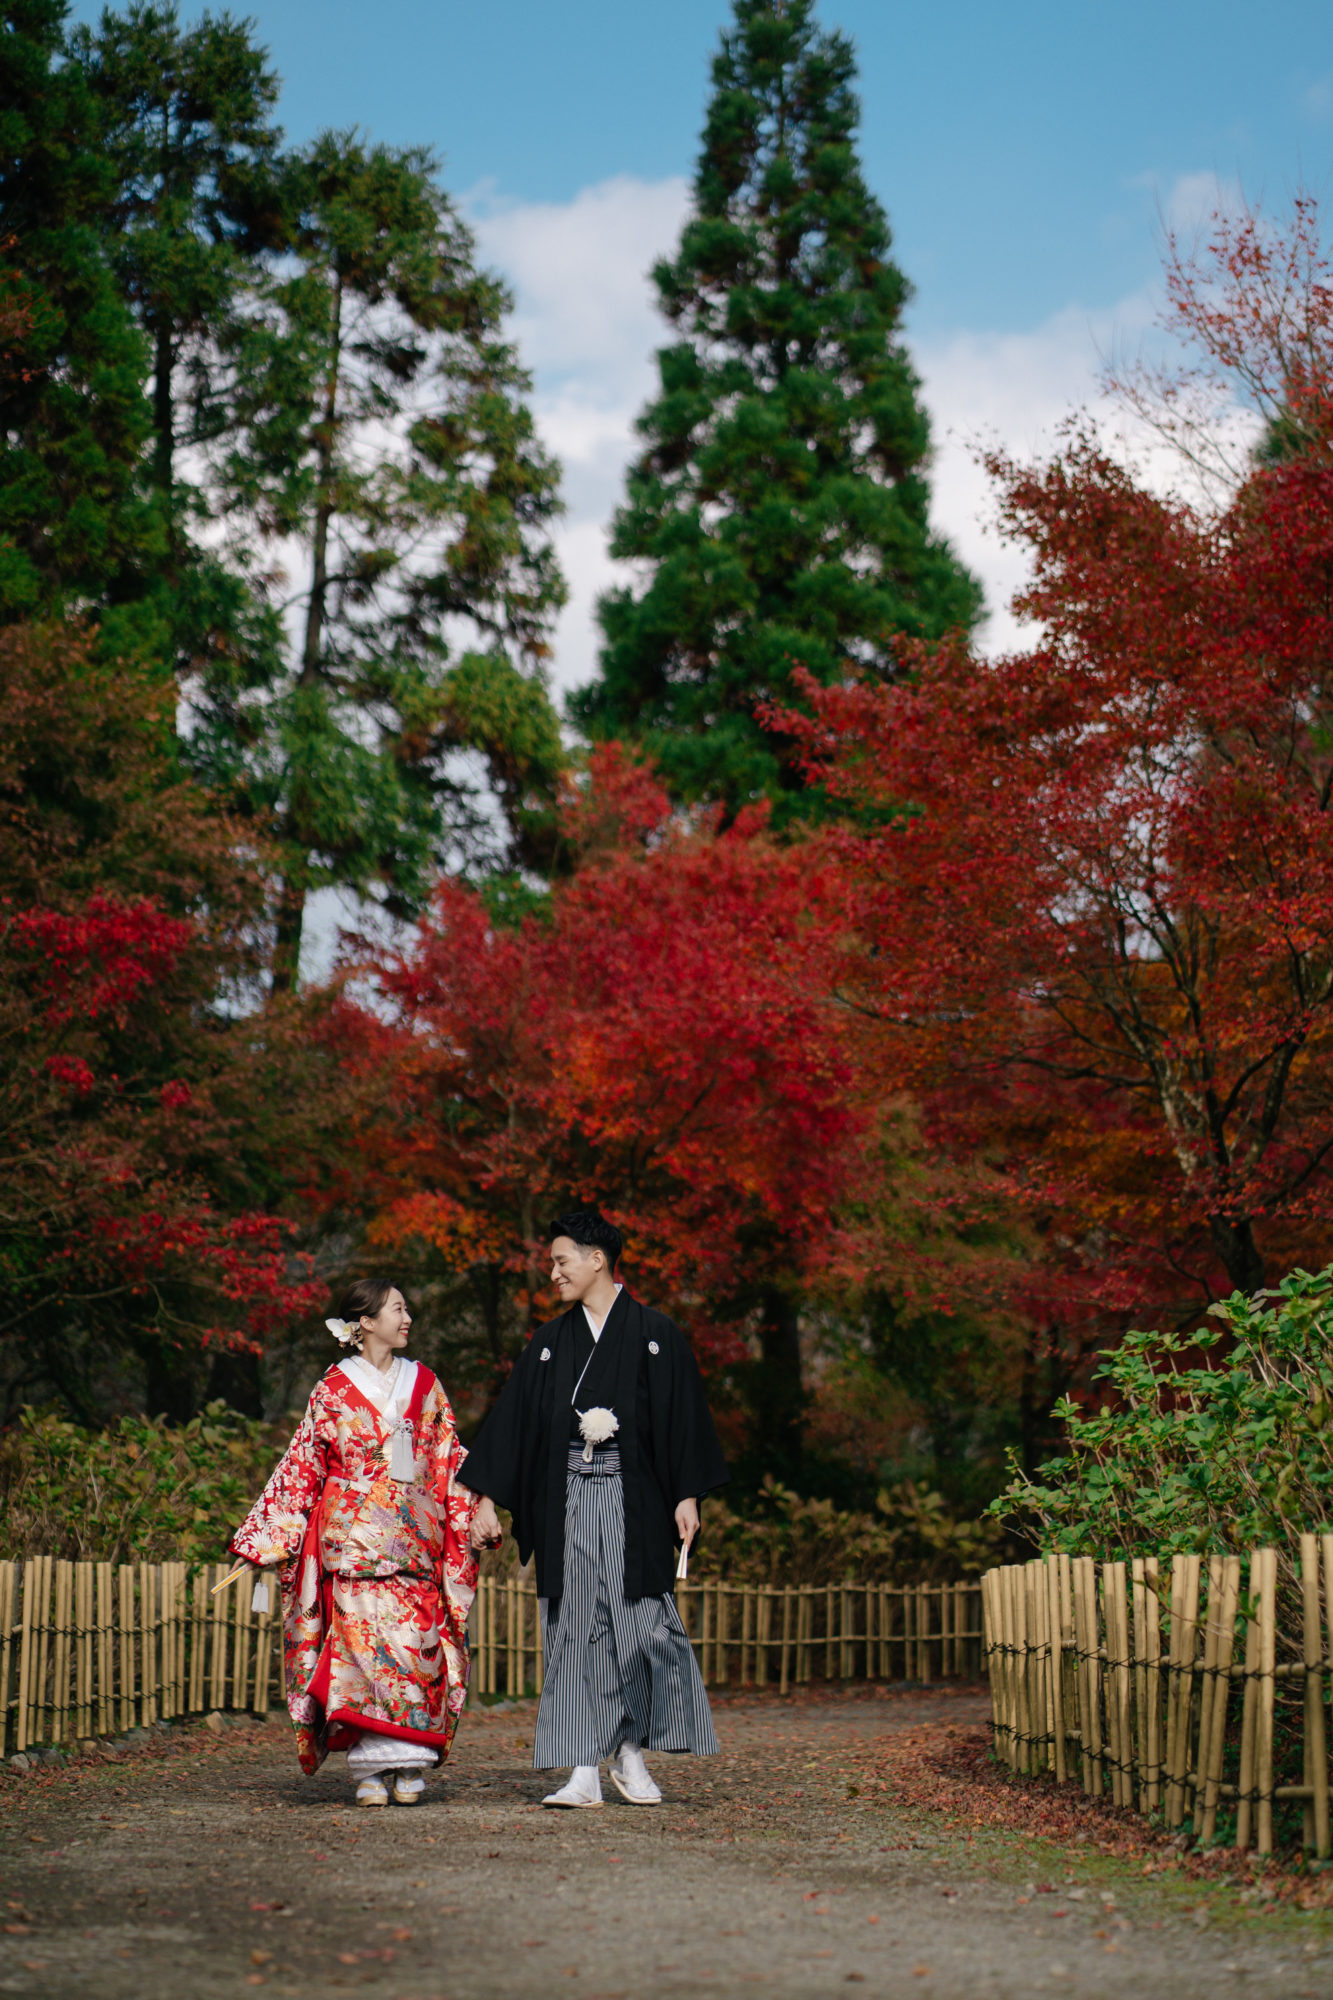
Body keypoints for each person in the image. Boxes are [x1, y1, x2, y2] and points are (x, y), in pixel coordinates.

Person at [462, 1208, 728, 1808]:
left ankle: (631, 1755)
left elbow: (681, 1420)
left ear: (596, 1259)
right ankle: (585, 1769)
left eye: (561, 1261)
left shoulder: (655, 1333)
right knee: (576, 1628)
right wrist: (486, 1498)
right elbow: (514, 1425)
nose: (552, 1273)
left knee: (639, 1628)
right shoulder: (550, 1344)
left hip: (636, 1504)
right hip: (569, 1501)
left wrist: (687, 1494)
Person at [229, 1280, 481, 1807]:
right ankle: (369, 1768)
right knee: (359, 1649)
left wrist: (478, 1505)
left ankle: (410, 1764)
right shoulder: (332, 1388)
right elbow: (303, 1465)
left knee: (415, 1647)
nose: (407, 1317)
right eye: (397, 1309)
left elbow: (449, 1456)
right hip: (353, 1542)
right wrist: (269, 1534)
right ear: (364, 1322)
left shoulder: (426, 1384)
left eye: (407, 1307)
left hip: (414, 1539)